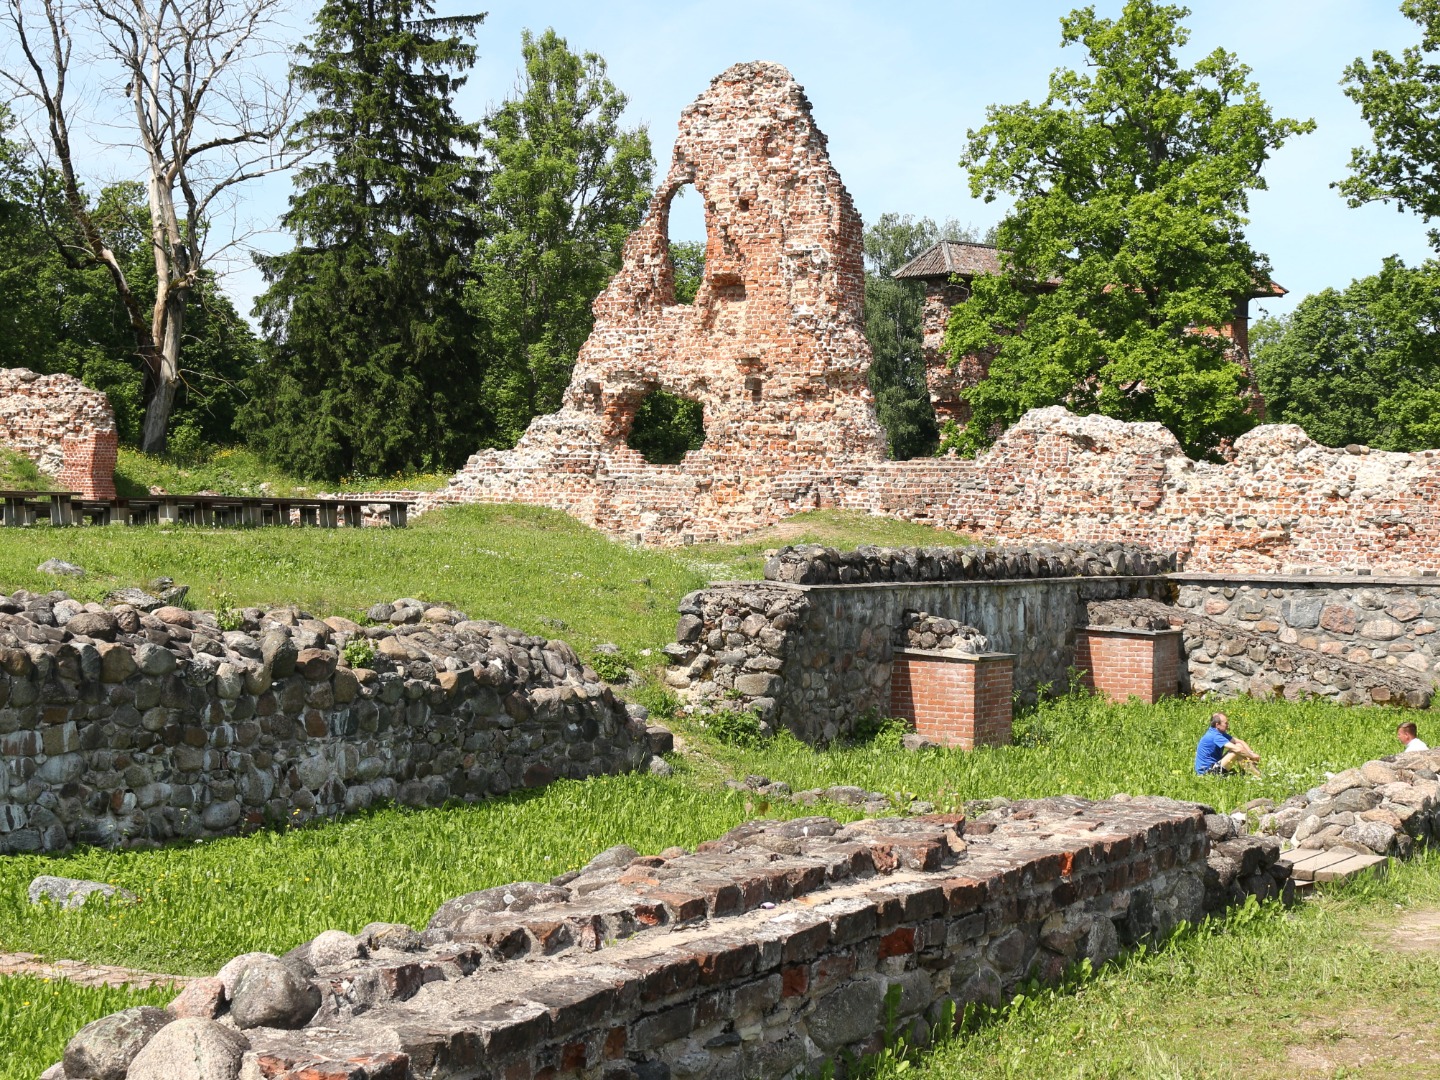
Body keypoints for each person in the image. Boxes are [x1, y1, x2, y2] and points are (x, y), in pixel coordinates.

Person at [1194, 712, 1261, 777]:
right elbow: (1238, 750)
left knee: (1239, 746)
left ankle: (1253, 773)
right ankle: (1258, 776)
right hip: (1207, 773)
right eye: (1226, 723)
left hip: (1214, 766)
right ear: (1217, 725)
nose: (1228, 725)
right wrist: (1253, 756)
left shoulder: (1219, 733)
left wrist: (1251, 754)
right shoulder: (1215, 736)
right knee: (1236, 751)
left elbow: (1240, 742)